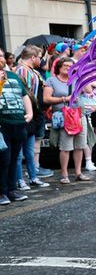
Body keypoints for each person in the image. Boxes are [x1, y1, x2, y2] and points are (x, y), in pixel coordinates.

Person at [43, 57, 90, 184]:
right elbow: (46, 99)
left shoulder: (76, 79)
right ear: (59, 67)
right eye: (66, 66)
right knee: (66, 146)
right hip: (65, 116)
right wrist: (65, 99)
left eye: (71, 66)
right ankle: (64, 174)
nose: (69, 68)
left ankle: (79, 172)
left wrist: (83, 76)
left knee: (80, 146)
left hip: (79, 115)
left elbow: (89, 91)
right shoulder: (51, 81)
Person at [14, 45, 52, 188]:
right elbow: (24, 94)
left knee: (29, 151)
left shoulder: (32, 71)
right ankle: (20, 180)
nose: (41, 61)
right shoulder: (21, 71)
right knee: (19, 152)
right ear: (33, 57)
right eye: (40, 57)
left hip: (33, 113)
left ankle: (33, 177)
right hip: (24, 114)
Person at [0, 54, 34, 205]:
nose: (0, 58)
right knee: (3, 159)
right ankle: (1, 192)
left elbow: (24, 95)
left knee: (15, 159)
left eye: (1, 55)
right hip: (3, 124)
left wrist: (30, 113)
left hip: (18, 123)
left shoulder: (13, 75)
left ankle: (11, 190)